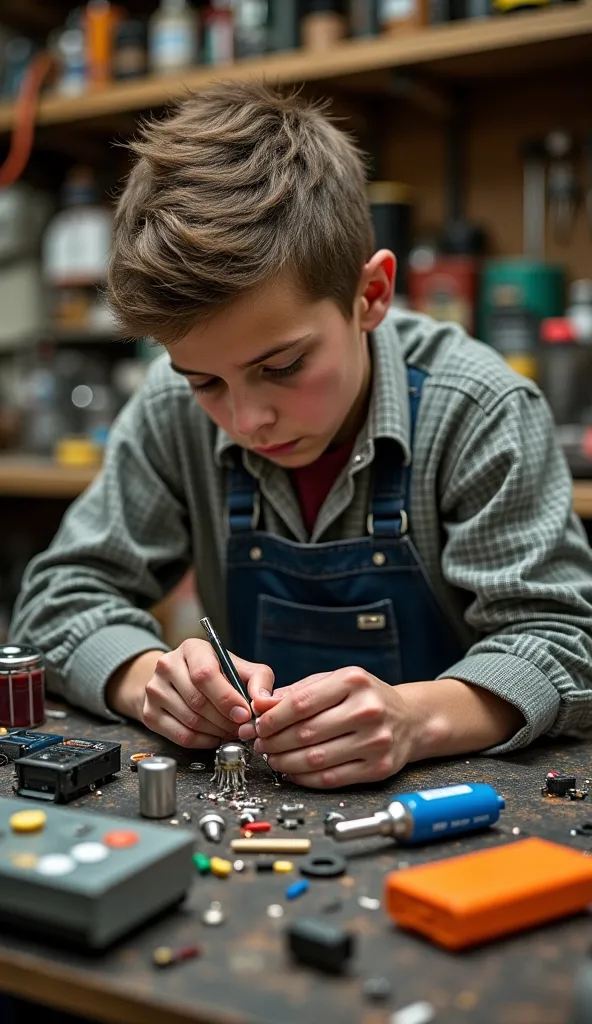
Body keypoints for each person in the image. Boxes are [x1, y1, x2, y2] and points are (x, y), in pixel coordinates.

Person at [10, 82, 592, 790]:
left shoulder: (479, 408)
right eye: (206, 381)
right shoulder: (170, 408)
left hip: (455, 802)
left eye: (281, 366)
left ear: (370, 295)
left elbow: (563, 641)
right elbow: (61, 597)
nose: (248, 419)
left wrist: (416, 717)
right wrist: (147, 678)